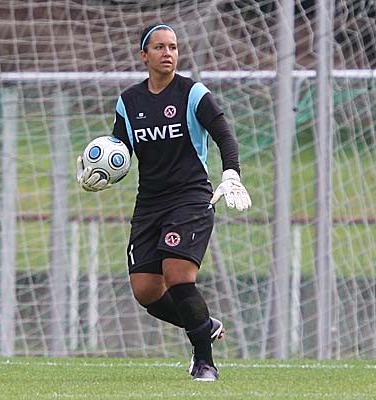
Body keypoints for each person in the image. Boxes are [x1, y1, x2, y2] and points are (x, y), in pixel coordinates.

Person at [76, 23, 251, 382]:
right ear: (144, 55)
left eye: (172, 47)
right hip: (150, 203)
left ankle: (205, 362)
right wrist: (97, 174)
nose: (168, 53)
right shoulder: (129, 102)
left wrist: (231, 173)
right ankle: (204, 324)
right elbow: (119, 152)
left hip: (190, 198)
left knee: (178, 276)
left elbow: (223, 134)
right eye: (159, 47)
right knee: (146, 291)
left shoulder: (193, 93)